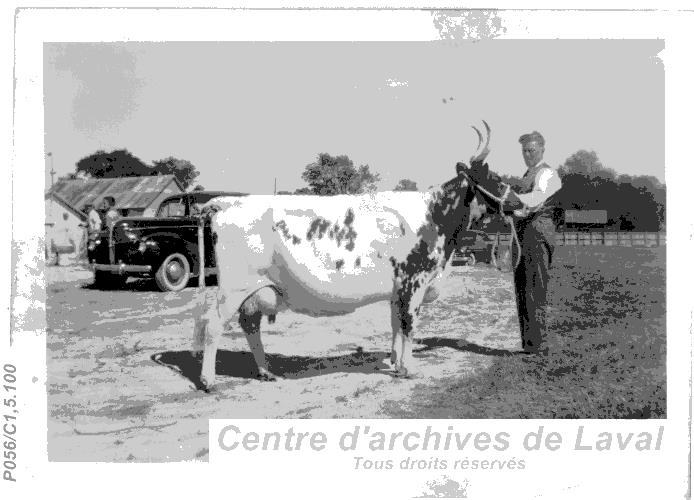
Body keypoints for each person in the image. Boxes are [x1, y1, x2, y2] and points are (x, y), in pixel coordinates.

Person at [464, 130, 562, 354]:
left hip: (538, 234)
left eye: (532, 150)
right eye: (525, 151)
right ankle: (530, 344)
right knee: (522, 287)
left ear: (542, 150)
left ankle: (538, 346)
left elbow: (534, 202)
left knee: (535, 288)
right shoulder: (528, 174)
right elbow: (516, 204)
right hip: (524, 235)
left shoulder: (548, 174)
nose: (528, 155)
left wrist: (507, 200)